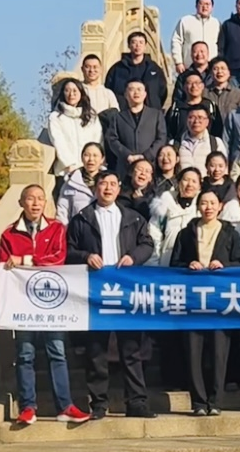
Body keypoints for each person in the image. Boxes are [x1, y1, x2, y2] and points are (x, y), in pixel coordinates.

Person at [65, 171, 156, 419]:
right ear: (95, 188)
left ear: (119, 189)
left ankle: (137, 402)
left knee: (131, 349)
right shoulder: (81, 219)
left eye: (113, 184)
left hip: (125, 290)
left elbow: (147, 244)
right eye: (103, 183)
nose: (108, 188)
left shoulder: (133, 218)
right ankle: (98, 403)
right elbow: (68, 251)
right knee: (96, 350)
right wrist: (85, 256)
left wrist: (133, 257)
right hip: (95, 292)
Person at [0, 185, 91, 425]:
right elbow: (4, 268)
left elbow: (57, 259)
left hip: (52, 304)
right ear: (21, 203)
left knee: (57, 352)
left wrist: (25, 260)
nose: (36, 203)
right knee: (25, 354)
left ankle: (65, 406)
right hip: (23, 306)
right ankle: (27, 407)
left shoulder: (57, 229)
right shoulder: (9, 235)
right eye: (30, 199)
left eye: (40, 199)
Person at [169, 189, 240, 416]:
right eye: (204, 203)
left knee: (219, 353)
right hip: (193, 301)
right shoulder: (186, 234)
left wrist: (224, 266)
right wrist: (188, 265)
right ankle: (199, 403)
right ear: (198, 206)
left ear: (220, 206)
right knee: (194, 353)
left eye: (213, 203)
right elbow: (174, 264)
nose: (208, 207)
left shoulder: (230, 233)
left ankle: (216, 401)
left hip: (221, 301)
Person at [103, 80, 168, 174]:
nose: (136, 92)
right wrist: (127, 155)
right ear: (126, 94)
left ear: (145, 94)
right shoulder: (117, 117)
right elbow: (112, 139)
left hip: (150, 166)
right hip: (125, 167)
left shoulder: (156, 115)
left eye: (139, 89)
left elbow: (161, 138)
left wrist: (146, 156)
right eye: (132, 89)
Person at [149, 166, 203, 266]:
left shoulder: (202, 209)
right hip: (167, 262)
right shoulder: (164, 205)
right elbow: (154, 237)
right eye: (186, 180)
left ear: (199, 186)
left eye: (194, 181)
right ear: (178, 182)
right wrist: (153, 266)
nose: (189, 184)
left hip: (195, 265)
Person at [48, 79, 103, 177]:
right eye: (67, 90)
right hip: (66, 171)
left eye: (75, 91)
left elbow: (98, 140)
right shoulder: (55, 117)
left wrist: (95, 161)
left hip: (91, 169)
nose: (71, 94)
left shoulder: (91, 116)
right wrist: (70, 164)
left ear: (81, 93)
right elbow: (58, 142)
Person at [105, 31, 168, 109]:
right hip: (123, 112)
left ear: (145, 46)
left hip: (150, 112)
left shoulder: (154, 69)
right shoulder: (117, 69)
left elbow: (163, 92)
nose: (138, 45)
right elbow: (108, 90)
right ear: (129, 45)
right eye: (134, 42)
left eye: (141, 42)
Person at [56, 142, 106, 222]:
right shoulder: (71, 182)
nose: (91, 159)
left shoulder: (109, 181)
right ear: (82, 158)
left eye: (95, 155)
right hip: (78, 227)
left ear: (102, 159)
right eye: (87, 155)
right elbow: (62, 212)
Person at [171, 0, 221, 74]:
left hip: (211, 67)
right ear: (196, 6)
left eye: (207, 4)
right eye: (201, 4)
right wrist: (178, 62)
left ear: (212, 7)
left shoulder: (216, 23)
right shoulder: (185, 21)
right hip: (189, 66)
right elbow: (176, 41)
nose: (205, 7)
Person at [176, 106, 227, 175]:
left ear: (207, 121)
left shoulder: (216, 143)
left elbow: (223, 170)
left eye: (200, 117)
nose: (196, 121)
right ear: (187, 120)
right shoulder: (176, 143)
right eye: (192, 117)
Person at [205, 58, 240, 123]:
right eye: (216, 69)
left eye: (223, 68)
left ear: (229, 73)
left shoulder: (238, 94)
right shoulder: (204, 93)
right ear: (211, 73)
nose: (219, 71)